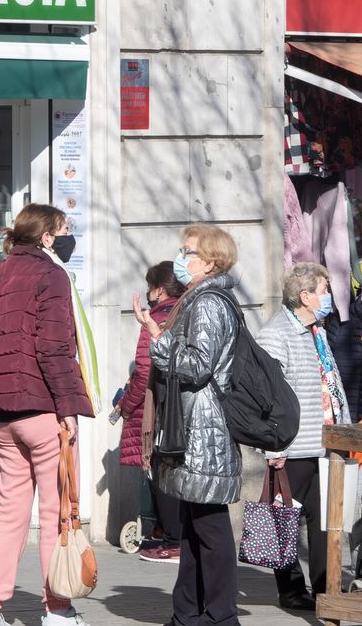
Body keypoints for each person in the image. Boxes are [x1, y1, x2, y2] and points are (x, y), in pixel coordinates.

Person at [0, 203, 94, 626]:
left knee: (10, 512)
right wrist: (69, 407)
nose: (71, 236)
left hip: (2, 413)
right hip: (41, 410)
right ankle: (57, 608)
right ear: (48, 237)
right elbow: (53, 348)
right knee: (55, 512)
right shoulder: (50, 275)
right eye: (66, 229)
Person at [133, 224, 243, 626]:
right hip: (195, 426)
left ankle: (220, 616)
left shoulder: (209, 303)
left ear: (209, 262)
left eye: (188, 251)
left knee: (210, 527)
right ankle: (188, 614)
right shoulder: (197, 299)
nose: (181, 257)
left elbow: (197, 366)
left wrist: (156, 337)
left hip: (205, 428)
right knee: (194, 525)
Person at [256, 262, 352, 611]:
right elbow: (265, 397)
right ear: (305, 296)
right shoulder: (275, 334)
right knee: (284, 520)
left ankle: (327, 589)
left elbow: (330, 382)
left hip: (326, 441)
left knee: (324, 521)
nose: (329, 297)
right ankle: (290, 590)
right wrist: (272, 446)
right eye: (324, 290)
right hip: (293, 445)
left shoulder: (317, 330)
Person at [118, 261, 186, 564]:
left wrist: (126, 405)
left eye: (150, 286)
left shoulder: (155, 319)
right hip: (180, 407)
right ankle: (165, 530)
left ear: (159, 289)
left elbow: (145, 370)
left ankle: (172, 540)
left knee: (160, 471)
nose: (147, 292)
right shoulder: (186, 311)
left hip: (156, 409)